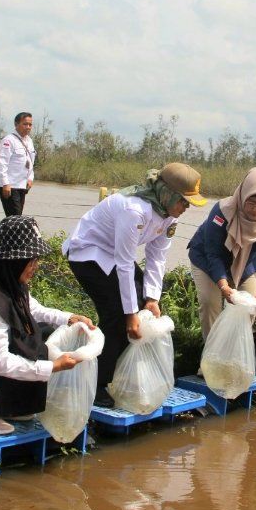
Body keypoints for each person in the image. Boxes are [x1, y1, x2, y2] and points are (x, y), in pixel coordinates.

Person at [63, 163, 205, 408]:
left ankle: (123, 375)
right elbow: (126, 263)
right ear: (168, 193)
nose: (186, 208)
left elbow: (157, 257)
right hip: (88, 253)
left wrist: (151, 298)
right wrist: (130, 315)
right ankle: (96, 384)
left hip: (114, 255)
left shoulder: (169, 214)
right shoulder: (134, 210)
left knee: (142, 309)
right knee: (117, 314)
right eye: (184, 201)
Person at [0, 216, 96, 434]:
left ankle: (11, 408)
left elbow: (31, 307)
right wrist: (53, 367)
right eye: (31, 260)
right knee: (32, 345)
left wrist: (67, 317)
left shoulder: (6, 277)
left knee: (42, 333)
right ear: (15, 260)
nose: (35, 266)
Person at [187, 168, 256, 371]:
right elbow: (213, 254)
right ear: (242, 196)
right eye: (252, 203)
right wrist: (224, 286)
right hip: (207, 259)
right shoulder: (223, 211)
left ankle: (229, 356)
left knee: (249, 308)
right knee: (210, 301)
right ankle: (210, 362)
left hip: (246, 261)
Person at [0, 112, 36, 216]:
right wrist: (5, 183)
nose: (28, 127)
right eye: (25, 124)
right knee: (15, 219)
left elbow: (31, 162)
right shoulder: (9, 140)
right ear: (16, 124)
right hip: (10, 186)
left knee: (14, 219)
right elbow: (2, 163)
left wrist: (30, 178)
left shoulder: (29, 141)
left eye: (30, 124)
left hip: (22, 185)